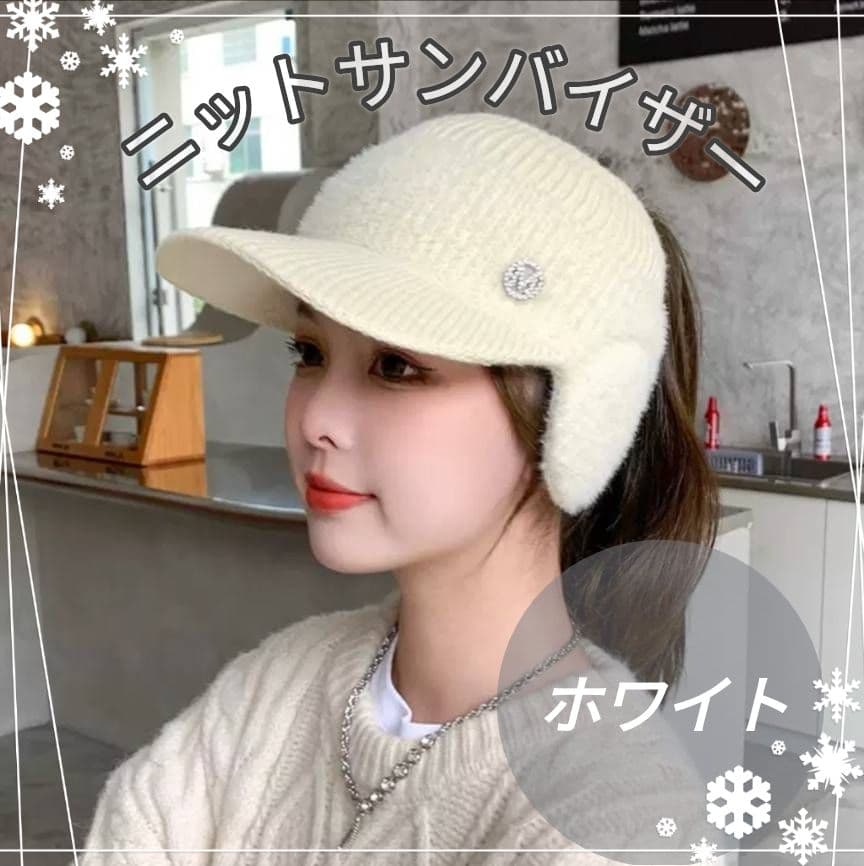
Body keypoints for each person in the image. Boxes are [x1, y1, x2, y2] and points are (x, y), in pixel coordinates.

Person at [75, 112, 725, 866]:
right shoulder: (283, 678)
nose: (315, 419)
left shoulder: (619, 817)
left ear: (576, 413)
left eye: (397, 366)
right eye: (309, 352)